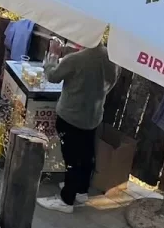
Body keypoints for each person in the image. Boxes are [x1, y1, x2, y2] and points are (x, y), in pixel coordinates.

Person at [37, 39, 119, 213]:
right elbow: (112, 81)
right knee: (86, 154)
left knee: (71, 159)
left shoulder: (76, 59)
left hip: (71, 115)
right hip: (93, 116)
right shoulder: (110, 56)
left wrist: (53, 55)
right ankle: (81, 191)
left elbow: (53, 77)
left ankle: (66, 200)